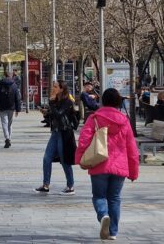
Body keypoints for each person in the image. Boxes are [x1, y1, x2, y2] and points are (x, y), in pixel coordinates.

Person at [75, 88, 139, 240]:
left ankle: (103, 215)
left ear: (103, 100)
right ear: (118, 102)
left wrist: (80, 160)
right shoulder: (124, 121)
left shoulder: (95, 118)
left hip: (99, 163)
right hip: (120, 165)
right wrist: (133, 171)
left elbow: (83, 140)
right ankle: (112, 232)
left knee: (99, 196)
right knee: (115, 198)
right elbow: (132, 148)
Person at [35, 80, 77, 196]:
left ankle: (70, 186)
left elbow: (59, 114)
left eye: (55, 87)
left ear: (61, 89)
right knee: (46, 158)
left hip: (64, 133)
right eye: (53, 86)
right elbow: (54, 115)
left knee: (64, 161)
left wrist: (51, 103)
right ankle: (45, 185)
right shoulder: (56, 101)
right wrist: (46, 113)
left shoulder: (67, 101)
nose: (53, 88)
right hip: (55, 133)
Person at [0, 71, 22, 148]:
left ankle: (7, 138)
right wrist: (18, 109)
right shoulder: (14, 85)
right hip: (11, 107)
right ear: (11, 76)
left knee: (4, 124)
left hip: (2, 107)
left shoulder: (0, 84)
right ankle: (9, 138)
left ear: (4, 76)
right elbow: (17, 98)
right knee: (10, 124)